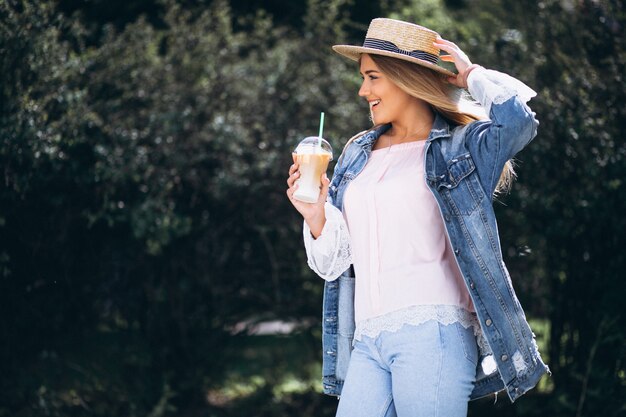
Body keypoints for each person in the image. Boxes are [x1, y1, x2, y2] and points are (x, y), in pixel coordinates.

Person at [286, 18, 549, 417]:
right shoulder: (358, 152)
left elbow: (517, 123)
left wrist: (470, 75)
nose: (363, 91)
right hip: (368, 337)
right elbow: (336, 263)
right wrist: (315, 214)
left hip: (434, 332)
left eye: (372, 77)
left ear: (405, 77)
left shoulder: (461, 147)